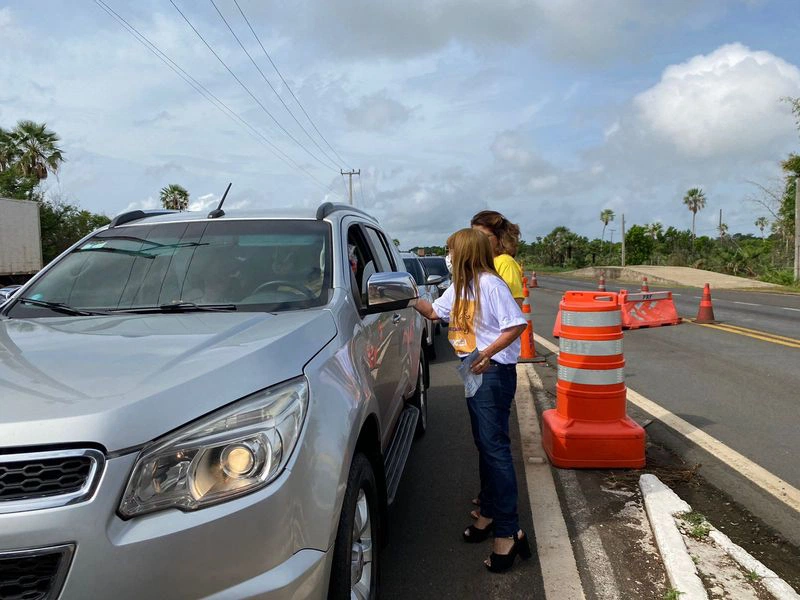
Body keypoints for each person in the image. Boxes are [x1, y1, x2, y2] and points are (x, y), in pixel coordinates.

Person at [413, 228, 531, 573]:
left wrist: (487, 353)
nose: (448, 257)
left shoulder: (490, 285)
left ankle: (508, 532)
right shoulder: (460, 286)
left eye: (451, 250)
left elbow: (516, 325)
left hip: (492, 372)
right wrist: (406, 294)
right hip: (473, 370)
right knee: (485, 444)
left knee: (495, 449)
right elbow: (433, 313)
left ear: (464, 252)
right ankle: (491, 513)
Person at [470, 210, 524, 307]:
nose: (478, 241)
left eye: (484, 236)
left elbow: (514, 305)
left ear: (500, 238)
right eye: (474, 236)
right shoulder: (480, 262)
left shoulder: (506, 263)